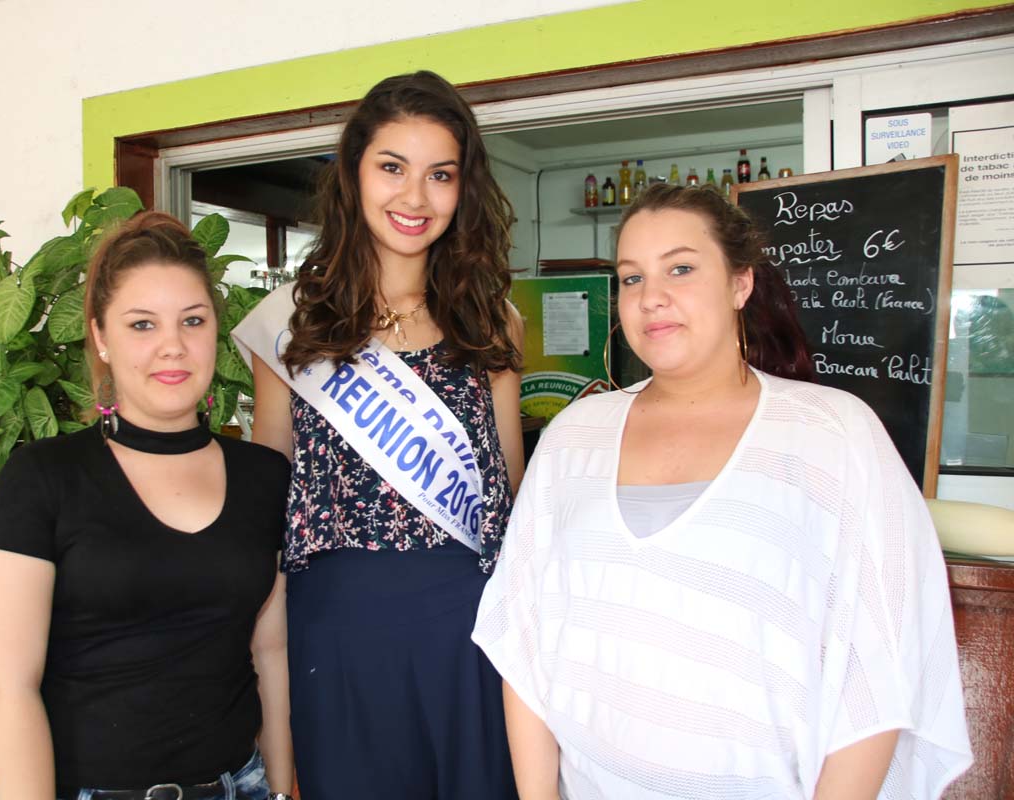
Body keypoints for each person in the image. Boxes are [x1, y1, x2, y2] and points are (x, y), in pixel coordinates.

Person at [472, 183, 973, 799]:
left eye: (680, 268)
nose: (652, 297)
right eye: (631, 278)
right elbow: (522, 641)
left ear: (741, 283)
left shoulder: (833, 435)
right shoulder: (574, 437)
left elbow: (879, 668)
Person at [233, 70, 524, 800]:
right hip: (337, 630)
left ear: (465, 189)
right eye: (392, 168)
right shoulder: (292, 326)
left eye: (440, 175)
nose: (414, 198)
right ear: (353, 174)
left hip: (468, 627)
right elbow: (271, 495)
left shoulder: (493, 323)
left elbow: (508, 493)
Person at [0, 211, 296, 800]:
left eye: (191, 321)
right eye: (142, 324)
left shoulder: (263, 476)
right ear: (99, 336)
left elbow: (269, 652)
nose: (172, 346)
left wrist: (278, 788)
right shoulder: (43, 479)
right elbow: (6, 687)